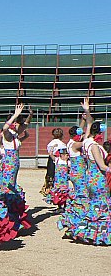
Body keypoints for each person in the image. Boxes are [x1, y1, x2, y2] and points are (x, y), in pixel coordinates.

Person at [59, 99, 111, 245]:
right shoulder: (91, 145)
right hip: (96, 178)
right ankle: (97, 235)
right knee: (100, 206)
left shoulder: (87, 141)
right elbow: (102, 166)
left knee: (92, 205)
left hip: (88, 176)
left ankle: (84, 230)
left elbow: (88, 127)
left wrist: (87, 112)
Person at [0, 104, 32, 231]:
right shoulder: (7, 134)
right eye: (17, 122)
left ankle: (10, 213)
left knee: (11, 185)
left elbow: (26, 125)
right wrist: (15, 115)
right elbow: (5, 128)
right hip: (9, 163)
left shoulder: (15, 134)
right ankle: (7, 215)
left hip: (14, 163)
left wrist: (30, 115)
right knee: (8, 187)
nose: (19, 124)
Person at [45, 145, 70, 210]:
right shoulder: (57, 160)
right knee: (58, 193)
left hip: (64, 181)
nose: (68, 157)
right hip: (58, 181)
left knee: (64, 193)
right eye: (66, 155)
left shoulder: (68, 162)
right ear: (62, 155)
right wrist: (53, 147)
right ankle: (59, 206)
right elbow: (50, 154)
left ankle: (65, 206)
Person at [42, 128, 65, 196]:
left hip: (51, 159)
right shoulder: (62, 144)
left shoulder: (51, 143)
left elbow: (49, 152)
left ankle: (48, 189)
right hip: (60, 160)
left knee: (50, 174)